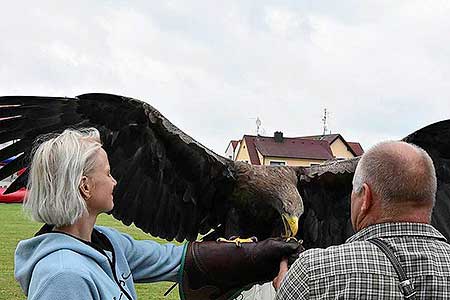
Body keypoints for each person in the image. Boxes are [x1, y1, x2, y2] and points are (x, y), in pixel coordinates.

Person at [14, 128, 301, 300]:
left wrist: (252, 255)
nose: (116, 182)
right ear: (85, 187)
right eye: (109, 173)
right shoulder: (64, 277)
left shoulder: (107, 245)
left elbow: (171, 260)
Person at [274, 141, 450, 299]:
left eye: (354, 191)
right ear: (430, 197)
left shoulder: (311, 273)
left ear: (365, 197)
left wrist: (289, 289)